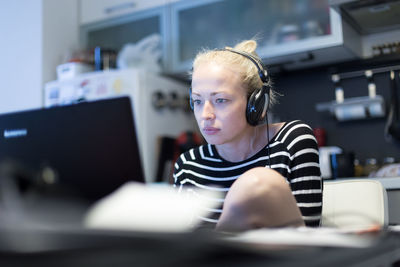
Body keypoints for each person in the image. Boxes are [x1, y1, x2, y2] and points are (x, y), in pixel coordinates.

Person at [173, 39, 322, 232]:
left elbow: (308, 240)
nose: (205, 115)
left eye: (220, 100)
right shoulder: (188, 166)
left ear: (256, 104)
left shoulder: (292, 141)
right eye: (197, 101)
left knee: (257, 183)